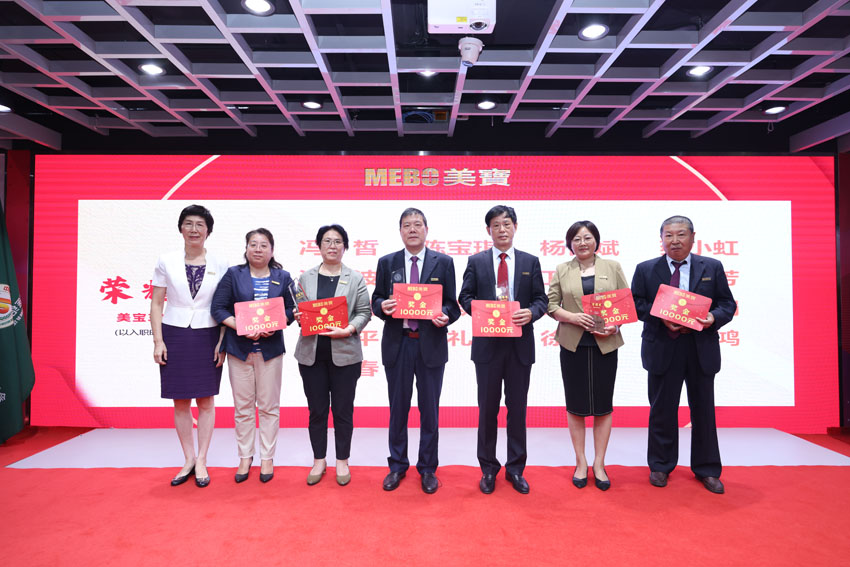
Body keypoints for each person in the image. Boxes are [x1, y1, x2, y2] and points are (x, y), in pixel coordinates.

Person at [631, 215, 736, 494]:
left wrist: (713, 318)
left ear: (692, 237)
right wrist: (660, 317)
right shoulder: (646, 269)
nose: (674, 241)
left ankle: (707, 469)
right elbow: (636, 303)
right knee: (662, 409)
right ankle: (660, 465)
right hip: (663, 345)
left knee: (704, 410)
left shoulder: (711, 266)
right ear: (661, 239)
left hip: (700, 347)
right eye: (668, 235)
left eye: (680, 234)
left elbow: (727, 303)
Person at [458, 205, 548, 494]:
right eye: (496, 225)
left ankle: (515, 469)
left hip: (519, 346)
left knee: (517, 410)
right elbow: (464, 296)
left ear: (515, 227)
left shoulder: (530, 261)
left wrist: (531, 313)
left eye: (506, 224)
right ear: (488, 230)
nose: (502, 229)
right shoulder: (476, 261)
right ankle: (488, 469)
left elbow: (541, 299)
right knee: (488, 409)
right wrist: (482, 310)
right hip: (488, 347)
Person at [371, 208, 461, 494]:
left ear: (426, 229)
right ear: (400, 231)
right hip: (398, 344)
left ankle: (428, 468)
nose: (412, 229)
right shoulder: (387, 262)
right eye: (407, 225)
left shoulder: (443, 262)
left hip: (430, 344)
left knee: (429, 410)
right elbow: (376, 299)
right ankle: (397, 465)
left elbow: (452, 305)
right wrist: (382, 307)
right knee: (398, 408)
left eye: (417, 224)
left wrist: (446, 315)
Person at [150, 204, 229, 488]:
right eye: (189, 224)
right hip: (175, 332)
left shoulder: (221, 263)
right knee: (180, 400)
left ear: (208, 231)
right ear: (181, 228)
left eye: (200, 225)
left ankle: (203, 459)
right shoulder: (166, 260)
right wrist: (158, 341)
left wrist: (222, 341)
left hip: (209, 334)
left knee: (206, 400)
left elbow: (224, 305)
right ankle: (188, 459)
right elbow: (156, 303)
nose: (194, 229)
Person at [547, 221, 628, 491]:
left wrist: (615, 325)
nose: (582, 243)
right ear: (570, 243)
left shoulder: (612, 267)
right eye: (577, 239)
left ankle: (600, 463)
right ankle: (580, 462)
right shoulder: (562, 269)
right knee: (576, 405)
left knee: (603, 405)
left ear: (596, 241)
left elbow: (624, 304)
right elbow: (551, 304)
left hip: (605, 344)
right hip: (573, 344)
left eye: (588, 238)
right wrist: (572, 317)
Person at [211, 228, 295, 484]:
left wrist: (277, 324)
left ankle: (267, 457)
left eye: (263, 245)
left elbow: (292, 309)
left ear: (272, 250)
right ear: (246, 248)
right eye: (253, 244)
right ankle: (245, 457)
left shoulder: (283, 277)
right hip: (239, 351)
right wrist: (241, 326)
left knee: (269, 408)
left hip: (270, 352)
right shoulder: (233, 274)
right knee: (243, 408)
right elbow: (218, 308)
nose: (258, 249)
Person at [294, 224, 372, 486]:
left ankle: (342, 460)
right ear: (318, 246)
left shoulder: (355, 278)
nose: (332, 246)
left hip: (345, 356)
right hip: (311, 355)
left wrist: (348, 329)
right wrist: (298, 316)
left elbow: (364, 312)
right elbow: (301, 311)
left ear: (345, 247)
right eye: (327, 241)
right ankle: (319, 460)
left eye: (338, 241)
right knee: (317, 411)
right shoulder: (305, 277)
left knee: (342, 410)